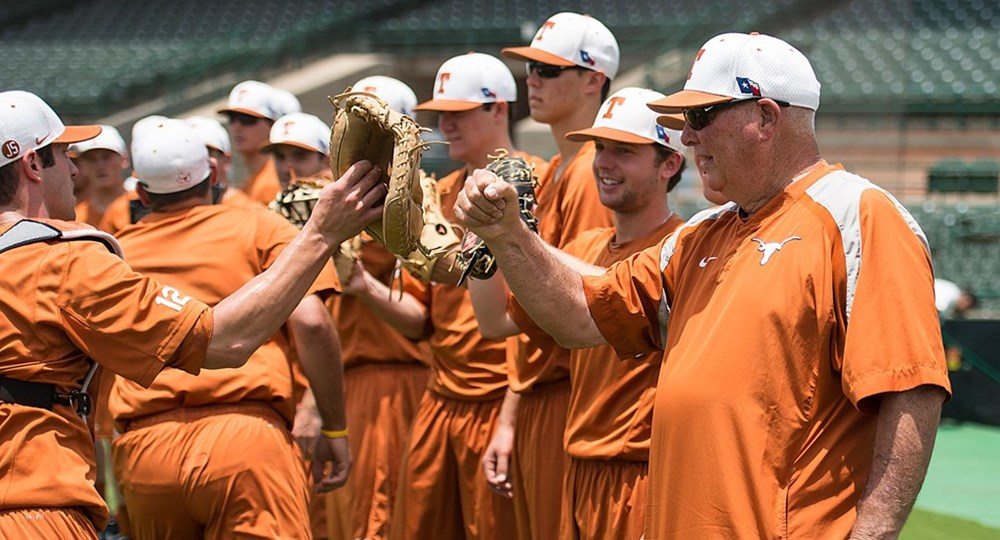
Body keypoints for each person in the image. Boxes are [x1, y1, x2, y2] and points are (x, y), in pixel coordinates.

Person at [455, 32, 951, 539]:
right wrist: (507, 234)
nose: (687, 137)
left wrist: (874, 533)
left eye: (700, 116)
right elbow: (581, 317)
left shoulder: (859, 215)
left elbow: (910, 390)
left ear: (765, 118)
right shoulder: (701, 233)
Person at [0, 90, 382, 538]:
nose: (73, 169)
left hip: (142, 452)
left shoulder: (113, 243)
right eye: (65, 155)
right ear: (32, 164)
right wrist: (321, 233)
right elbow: (229, 339)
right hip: (36, 505)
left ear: (143, 190)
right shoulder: (63, 260)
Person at [104, 119, 348, 538]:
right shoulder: (259, 225)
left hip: (146, 450)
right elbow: (311, 320)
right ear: (214, 174)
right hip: (246, 440)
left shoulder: (114, 253)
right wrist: (334, 425)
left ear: (141, 193)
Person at [469, 87, 686, 538]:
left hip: (642, 473)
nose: (604, 162)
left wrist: (517, 236)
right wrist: (484, 238)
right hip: (579, 469)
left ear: (669, 164)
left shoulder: (682, 248)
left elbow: (620, 284)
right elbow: (495, 323)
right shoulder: (584, 246)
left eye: (624, 151)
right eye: (600, 147)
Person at [345, 52, 535, 539]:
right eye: (439, 114)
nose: (445, 125)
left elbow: (550, 307)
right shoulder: (437, 192)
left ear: (499, 108)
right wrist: (359, 281)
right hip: (442, 392)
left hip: (502, 393)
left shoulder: (539, 178)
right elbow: (419, 318)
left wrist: (513, 413)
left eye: (459, 113)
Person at [464, 13, 618, 538]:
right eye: (530, 69)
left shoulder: (595, 173)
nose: (533, 79)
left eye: (549, 70)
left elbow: (578, 307)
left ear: (593, 79)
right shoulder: (555, 170)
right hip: (539, 392)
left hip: (570, 395)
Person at [319, 75, 429, 540]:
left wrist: (361, 284)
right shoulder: (330, 201)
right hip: (342, 382)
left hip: (401, 382)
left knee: (384, 522)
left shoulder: (423, 200)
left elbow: (420, 320)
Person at [100, 116, 259, 235]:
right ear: (213, 171)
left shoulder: (124, 251)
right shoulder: (254, 226)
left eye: (206, 152)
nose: (185, 162)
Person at [218, 80, 285, 204]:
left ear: (272, 124)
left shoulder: (274, 180)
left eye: (246, 120)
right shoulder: (253, 180)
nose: (237, 127)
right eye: (232, 119)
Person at [68, 125, 129, 228]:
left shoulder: (142, 206)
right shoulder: (77, 220)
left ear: (124, 160)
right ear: (83, 166)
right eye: (91, 159)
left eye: (106, 157)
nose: (100, 165)